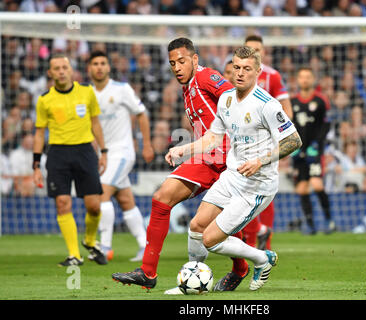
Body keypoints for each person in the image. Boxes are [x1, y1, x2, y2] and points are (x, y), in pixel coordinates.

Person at [112, 37, 249, 292]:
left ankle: (241, 267)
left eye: (182, 61)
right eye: (172, 63)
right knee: (161, 198)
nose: (176, 67)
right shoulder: (187, 88)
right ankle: (148, 272)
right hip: (208, 159)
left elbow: (236, 98)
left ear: (195, 60)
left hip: (231, 160)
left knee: (220, 222)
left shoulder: (207, 77)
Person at [165, 46, 301, 292]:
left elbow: (293, 140)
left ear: (257, 71)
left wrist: (261, 160)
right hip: (232, 178)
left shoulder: (267, 105)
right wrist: (183, 150)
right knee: (196, 226)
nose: (240, 73)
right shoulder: (226, 99)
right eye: (236, 67)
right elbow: (213, 139)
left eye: (246, 69)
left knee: (210, 240)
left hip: (256, 186)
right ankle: (189, 282)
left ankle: (262, 259)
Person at [32, 53, 108, 266]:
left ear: (71, 70)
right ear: (50, 73)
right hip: (58, 154)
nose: (61, 71)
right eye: (56, 68)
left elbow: (96, 123)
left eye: (64, 67)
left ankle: (90, 241)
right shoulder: (44, 99)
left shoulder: (86, 92)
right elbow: (39, 133)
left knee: (94, 206)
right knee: (62, 203)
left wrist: (104, 152)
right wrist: (36, 165)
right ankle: (75, 255)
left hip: (85, 151)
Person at [87, 50, 155, 262]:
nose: (99, 67)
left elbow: (141, 114)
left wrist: (147, 145)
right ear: (89, 68)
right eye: (95, 63)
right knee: (125, 200)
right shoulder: (86, 93)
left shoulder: (122, 89)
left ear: (108, 67)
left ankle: (105, 247)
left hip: (123, 152)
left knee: (101, 196)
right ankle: (146, 247)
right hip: (103, 155)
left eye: (103, 63)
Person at [242, 34, 293, 250]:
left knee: (266, 187)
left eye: (257, 50)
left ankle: (266, 242)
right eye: (250, 49)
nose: (254, 53)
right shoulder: (236, 74)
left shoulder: (272, 76)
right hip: (241, 141)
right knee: (241, 189)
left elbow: (286, 107)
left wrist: (282, 137)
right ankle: (252, 237)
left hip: (265, 144)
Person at [289, 67, 336, 235]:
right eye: (301, 77)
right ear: (298, 80)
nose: (305, 80)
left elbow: (326, 125)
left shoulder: (321, 100)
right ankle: (311, 225)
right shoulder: (292, 102)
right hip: (298, 152)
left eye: (308, 77)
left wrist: (317, 145)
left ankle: (329, 220)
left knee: (316, 184)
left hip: (314, 152)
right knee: (301, 188)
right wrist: (291, 147)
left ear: (313, 79)